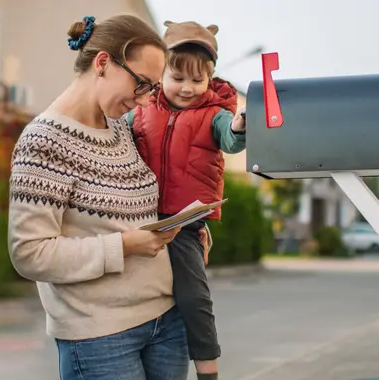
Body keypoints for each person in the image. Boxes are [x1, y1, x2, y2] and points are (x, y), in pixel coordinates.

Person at [7, 15, 208, 380]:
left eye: (151, 88)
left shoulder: (121, 130)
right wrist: (125, 246)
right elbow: (29, 254)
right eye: (142, 84)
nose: (146, 99)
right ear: (102, 63)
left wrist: (185, 226)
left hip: (166, 319)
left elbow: (137, 209)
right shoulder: (44, 141)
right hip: (99, 336)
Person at [126, 20, 247, 380]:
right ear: (162, 73)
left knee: (193, 296)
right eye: (178, 78)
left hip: (184, 221)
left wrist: (241, 124)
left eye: (198, 80)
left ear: (210, 79)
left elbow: (231, 138)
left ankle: (208, 369)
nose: (188, 88)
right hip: (139, 214)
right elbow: (118, 133)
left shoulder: (215, 114)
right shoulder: (143, 109)